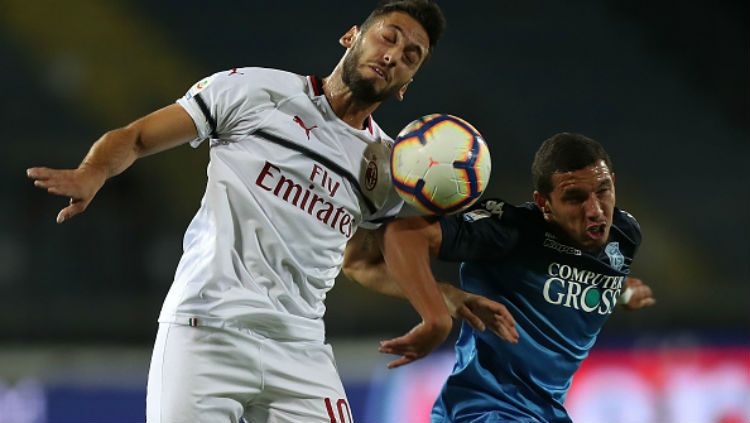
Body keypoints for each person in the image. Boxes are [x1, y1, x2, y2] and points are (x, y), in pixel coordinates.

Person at [26, 2, 508, 422]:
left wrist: (442, 295)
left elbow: (361, 263)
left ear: (407, 85)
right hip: (206, 329)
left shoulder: (386, 169)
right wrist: (92, 171)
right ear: (352, 36)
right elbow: (134, 137)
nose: (392, 55)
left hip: (299, 349)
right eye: (389, 37)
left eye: (410, 57)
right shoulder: (255, 92)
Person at [344, 132, 656, 422]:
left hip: (545, 413)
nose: (595, 210)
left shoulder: (625, 236)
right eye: (574, 197)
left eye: (603, 191)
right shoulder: (510, 232)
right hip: (485, 410)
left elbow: (580, 278)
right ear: (544, 205)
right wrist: (437, 313)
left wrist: (622, 291)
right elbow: (401, 236)